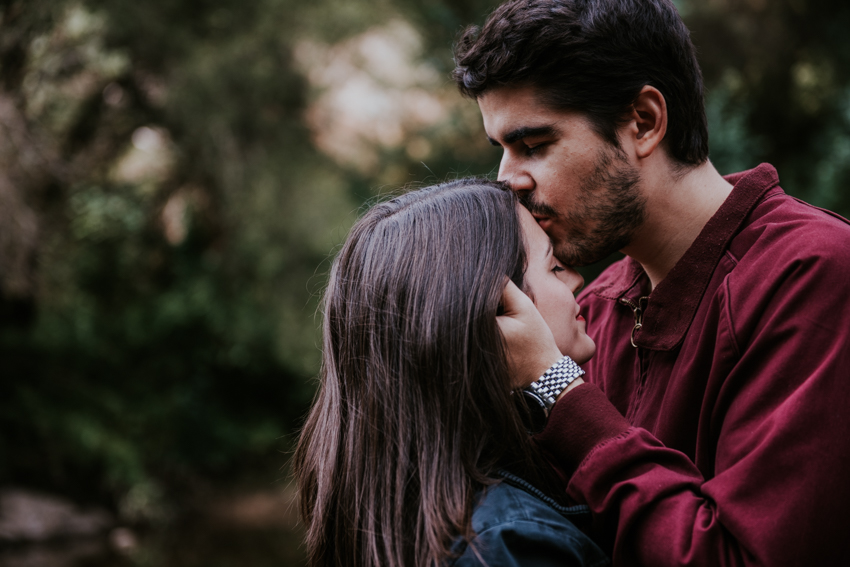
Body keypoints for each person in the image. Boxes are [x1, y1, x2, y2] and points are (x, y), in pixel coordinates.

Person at [452, 0, 850, 565]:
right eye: (502, 151)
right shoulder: (592, 310)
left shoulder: (815, 276)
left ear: (643, 121)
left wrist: (560, 391)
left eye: (535, 145)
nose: (508, 180)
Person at [293, 179, 609, 567]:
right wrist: (557, 381)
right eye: (555, 266)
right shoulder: (507, 544)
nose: (578, 279)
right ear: (498, 311)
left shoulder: (407, 507)